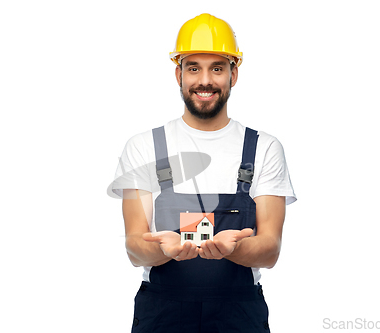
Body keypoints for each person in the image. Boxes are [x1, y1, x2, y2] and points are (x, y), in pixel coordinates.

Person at [108, 13, 296, 333]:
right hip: (162, 312)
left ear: (233, 75)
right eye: (193, 68)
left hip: (239, 314)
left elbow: (270, 249)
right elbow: (134, 248)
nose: (204, 81)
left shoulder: (264, 148)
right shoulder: (144, 147)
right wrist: (162, 249)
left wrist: (234, 248)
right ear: (178, 74)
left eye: (217, 68)